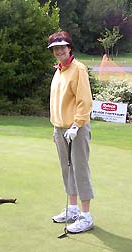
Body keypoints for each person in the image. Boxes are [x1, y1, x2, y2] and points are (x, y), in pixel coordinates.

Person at [48, 31, 95, 233]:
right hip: (60, 129)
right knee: (67, 170)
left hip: (77, 128)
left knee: (79, 169)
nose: (59, 51)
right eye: (55, 48)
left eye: (62, 47)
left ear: (69, 48)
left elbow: (84, 100)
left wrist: (76, 125)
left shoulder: (78, 69)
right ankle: (73, 210)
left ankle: (86, 216)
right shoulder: (59, 71)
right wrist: (57, 127)